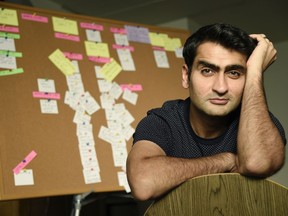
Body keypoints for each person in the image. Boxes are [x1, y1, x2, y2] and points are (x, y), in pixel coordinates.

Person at [126, 23, 286, 201]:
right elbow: (144, 183)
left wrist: (255, 71)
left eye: (234, 73)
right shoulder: (163, 121)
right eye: (207, 71)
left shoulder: (261, 123)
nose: (220, 87)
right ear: (186, 77)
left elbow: (257, 164)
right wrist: (226, 160)